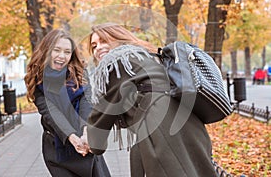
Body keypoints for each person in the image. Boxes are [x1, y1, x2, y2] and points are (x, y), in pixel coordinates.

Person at [86, 23, 218, 176]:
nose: (98, 49)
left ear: (118, 38)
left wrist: (92, 141)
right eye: (94, 46)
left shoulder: (118, 62)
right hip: (188, 123)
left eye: (103, 41)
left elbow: (103, 109)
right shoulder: (148, 55)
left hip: (161, 130)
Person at [24, 29, 110, 177]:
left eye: (67, 52)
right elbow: (51, 112)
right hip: (58, 149)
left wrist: (85, 132)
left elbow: (86, 100)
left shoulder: (79, 72)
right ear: (47, 50)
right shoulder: (37, 79)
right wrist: (72, 137)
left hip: (85, 142)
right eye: (56, 50)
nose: (61, 56)